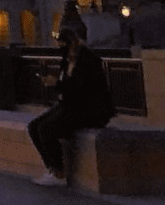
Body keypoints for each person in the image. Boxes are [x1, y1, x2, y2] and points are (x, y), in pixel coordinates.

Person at [28, 18, 113, 185]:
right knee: (33, 127)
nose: (60, 50)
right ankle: (51, 168)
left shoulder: (87, 60)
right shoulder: (66, 60)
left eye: (62, 45)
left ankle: (59, 173)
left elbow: (82, 89)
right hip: (70, 104)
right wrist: (54, 83)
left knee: (46, 129)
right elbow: (66, 86)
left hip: (88, 109)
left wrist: (57, 84)